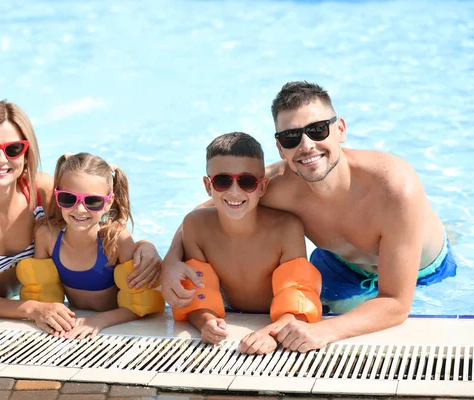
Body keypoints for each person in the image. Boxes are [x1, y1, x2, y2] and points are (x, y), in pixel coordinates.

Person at [162, 82, 456, 353]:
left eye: (317, 130)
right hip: (338, 265)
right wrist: (171, 262)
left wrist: (326, 331)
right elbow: (207, 210)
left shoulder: (393, 188)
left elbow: (396, 303)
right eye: (291, 137)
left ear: (340, 129)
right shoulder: (277, 186)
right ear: (280, 147)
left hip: (424, 271)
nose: (306, 146)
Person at [0, 101, 161, 337]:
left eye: (12, 149)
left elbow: (89, 223)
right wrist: (33, 309)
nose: (1, 160)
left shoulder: (40, 192)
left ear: (25, 153)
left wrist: (146, 247)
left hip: (34, 299)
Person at [172, 132, 322, 355]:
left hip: (277, 314)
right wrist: (205, 321)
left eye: (247, 182)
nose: (234, 191)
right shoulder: (196, 226)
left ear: (262, 187)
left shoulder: (286, 228)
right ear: (207, 186)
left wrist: (272, 332)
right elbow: (197, 296)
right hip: (231, 308)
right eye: (222, 181)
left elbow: (299, 298)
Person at [32, 152, 164, 339]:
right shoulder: (47, 237)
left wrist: (99, 320)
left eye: (92, 201)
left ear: (108, 202)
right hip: (74, 323)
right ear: (57, 195)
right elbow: (41, 291)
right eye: (68, 199)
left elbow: (140, 303)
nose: (79, 209)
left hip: (113, 323)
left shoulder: (116, 240)